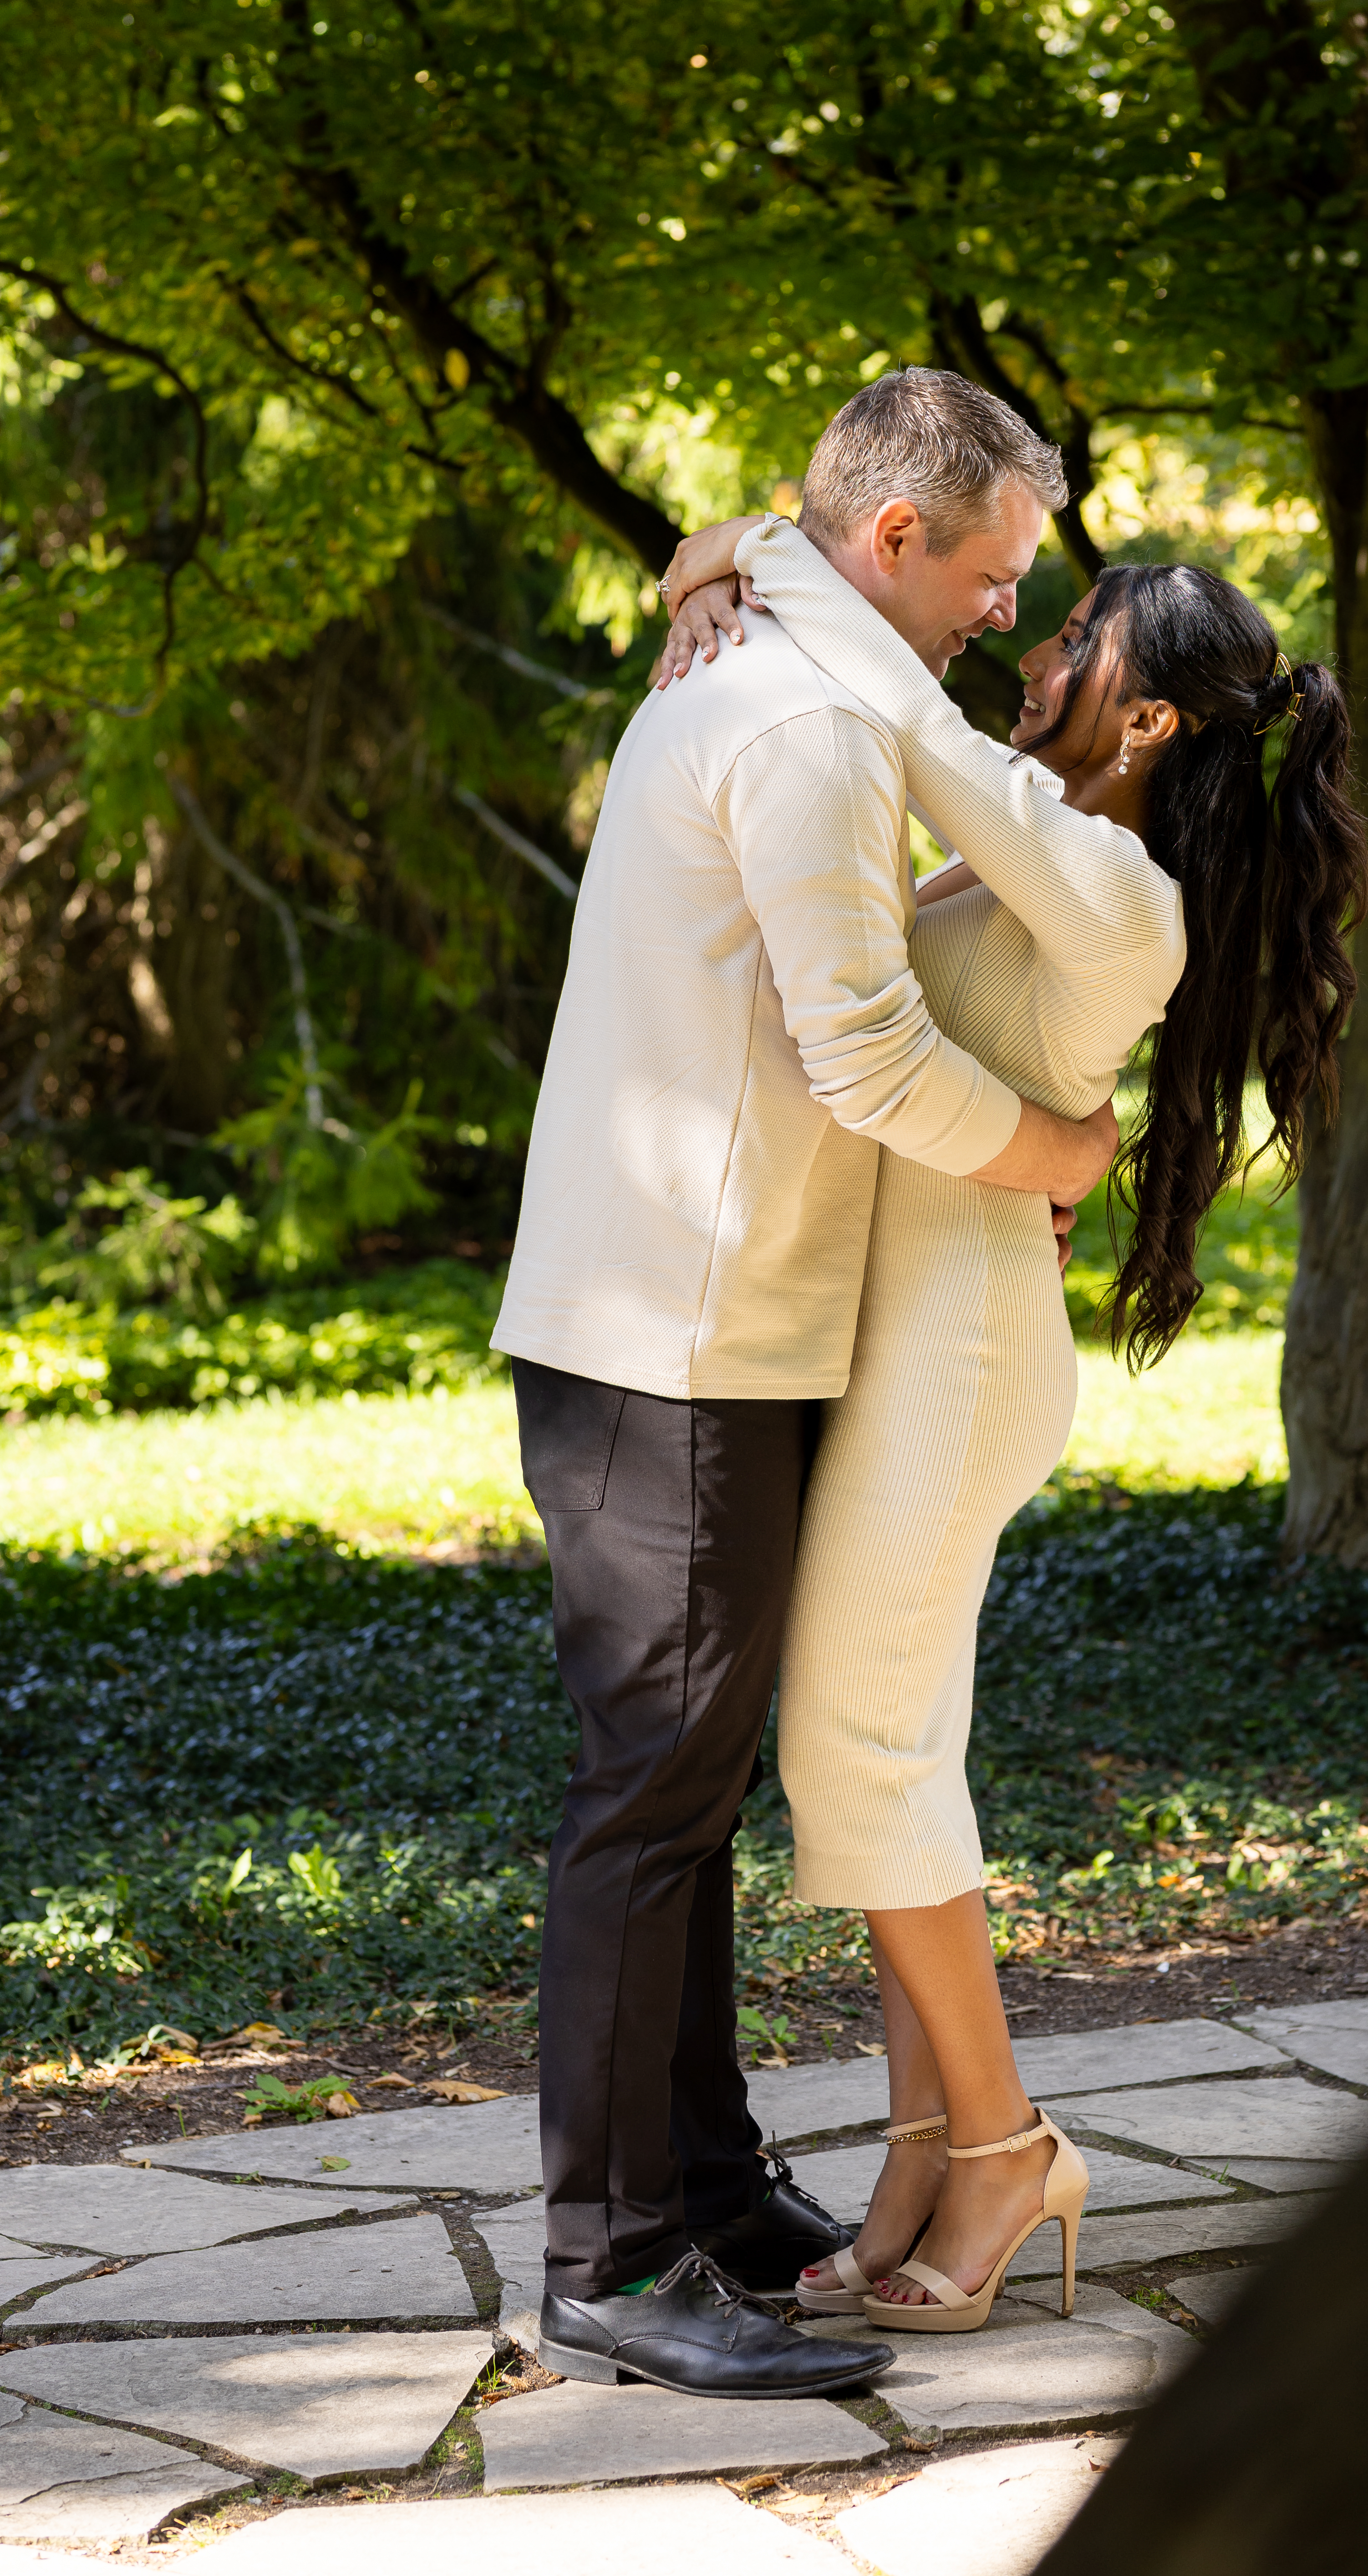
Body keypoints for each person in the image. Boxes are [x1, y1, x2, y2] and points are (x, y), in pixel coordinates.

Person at [655, 509, 1368, 2332]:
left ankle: (1004, 2145)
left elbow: (905, 736)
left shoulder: (1116, 887)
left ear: (1144, 727)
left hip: (958, 1361)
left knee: (856, 1751)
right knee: (891, 1754)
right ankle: (922, 2146)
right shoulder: (1040, 861)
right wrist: (715, 557)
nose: (1029, 646)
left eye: (1072, 635)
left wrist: (775, 565)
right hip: (902, 1332)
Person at [489, 369, 1120, 2400]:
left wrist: (738, 542)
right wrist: (1057, 1161)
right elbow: (861, 1053)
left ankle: (705, 2181)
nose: (1003, 623)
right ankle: (611, 2258)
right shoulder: (810, 722)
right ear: (896, 542)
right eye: (991, 580)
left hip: (709, 1320)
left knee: (682, 1790)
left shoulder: (784, 655)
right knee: (651, 1801)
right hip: (667, 1335)